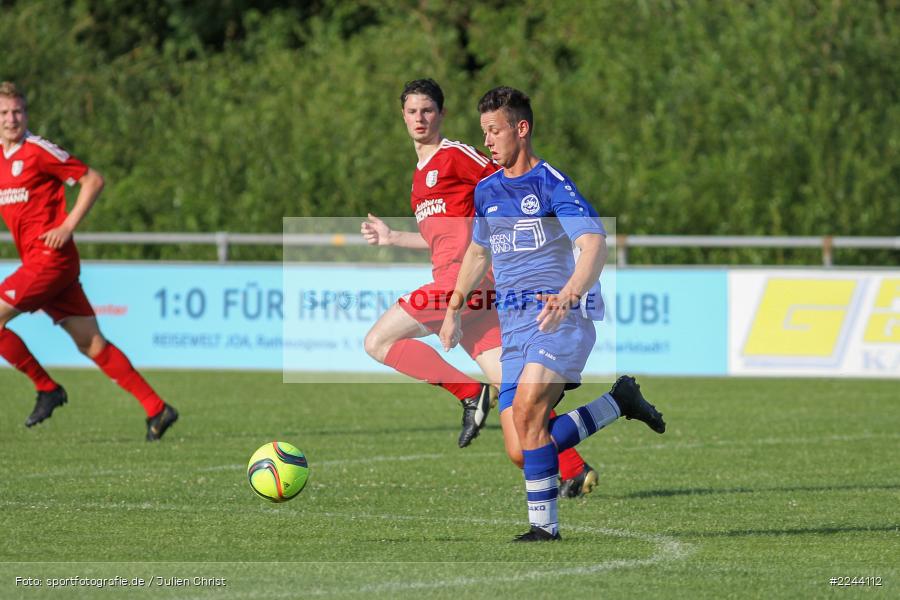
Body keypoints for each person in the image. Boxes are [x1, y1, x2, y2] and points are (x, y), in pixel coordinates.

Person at [439, 86, 666, 541]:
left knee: (527, 412)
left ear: (521, 129)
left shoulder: (550, 184)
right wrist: (454, 307)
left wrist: (568, 294)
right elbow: (479, 252)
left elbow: (594, 244)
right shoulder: (486, 191)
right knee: (522, 447)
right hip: (515, 327)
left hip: (559, 318)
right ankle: (618, 401)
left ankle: (543, 530)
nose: (487, 140)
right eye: (483, 131)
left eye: (495, 130)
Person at [362, 79, 599, 497]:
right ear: (402, 116)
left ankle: (470, 393)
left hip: (463, 284)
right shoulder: (419, 180)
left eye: (428, 110)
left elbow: (507, 180)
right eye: (412, 111)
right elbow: (444, 237)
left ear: (441, 114)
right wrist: (393, 237)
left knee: (378, 341)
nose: (420, 118)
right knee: (518, 429)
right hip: (473, 293)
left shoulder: (455, 155)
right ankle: (575, 468)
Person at [0, 81, 178, 441]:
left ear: (26, 113)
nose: (11, 118)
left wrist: (67, 226)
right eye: (4, 112)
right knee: (90, 342)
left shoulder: (38, 151)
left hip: (50, 259)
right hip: (44, 265)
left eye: (17, 110)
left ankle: (47, 388)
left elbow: (92, 179)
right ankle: (157, 409)